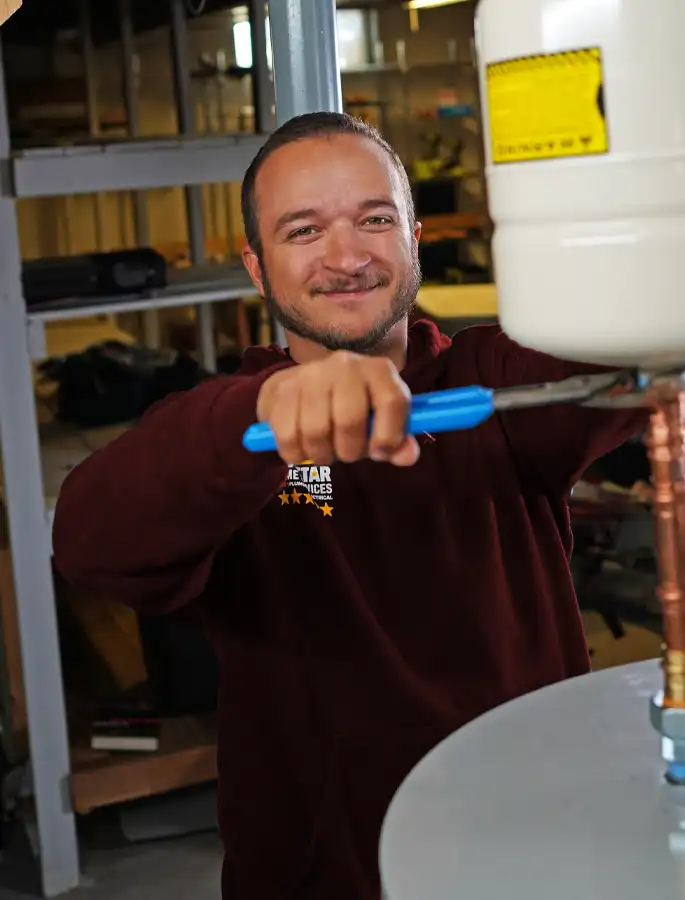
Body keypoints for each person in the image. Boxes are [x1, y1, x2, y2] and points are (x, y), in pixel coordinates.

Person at [52, 112, 647, 900]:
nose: (347, 256)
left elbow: (645, 341)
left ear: (414, 238)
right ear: (257, 269)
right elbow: (91, 539)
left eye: (375, 219)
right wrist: (270, 414)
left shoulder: (491, 384)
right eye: (304, 231)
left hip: (529, 839)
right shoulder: (228, 434)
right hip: (331, 872)